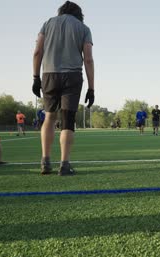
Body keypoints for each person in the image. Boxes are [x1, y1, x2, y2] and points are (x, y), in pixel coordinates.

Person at [32, 1, 95, 176]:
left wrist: (36, 78)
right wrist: (91, 88)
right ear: (78, 13)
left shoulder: (47, 24)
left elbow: (37, 51)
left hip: (49, 74)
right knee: (67, 119)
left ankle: (45, 162)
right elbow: (88, 59)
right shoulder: (83, 28)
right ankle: (64, 165)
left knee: (49, 117)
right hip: (72, 75)